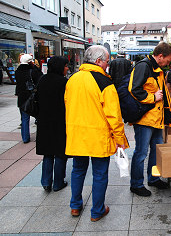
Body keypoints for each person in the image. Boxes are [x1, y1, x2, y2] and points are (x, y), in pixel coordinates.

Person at [64, 45, 129, 221]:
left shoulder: (72, 79)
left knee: (77, 170)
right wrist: (120, 138)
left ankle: (75, 206)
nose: (108, 65)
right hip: (98, 136)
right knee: (100, 174)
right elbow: (114, 115)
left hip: (77, 134)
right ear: (98, 61)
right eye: (107, 61)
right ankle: (97, 210)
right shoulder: (104, 82)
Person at [129, 42, 171, 197]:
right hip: (145, 120)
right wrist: (152, 97)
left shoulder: (157, 69)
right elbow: (134, 89)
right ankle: (136, 184)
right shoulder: (144, 66)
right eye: (167, 61)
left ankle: (153, 178)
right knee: (141, 152)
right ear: (160, 56)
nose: (168, 64)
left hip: (157, 118)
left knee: (156, 151)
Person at [36, 56, 69, 192]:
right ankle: (58, 183)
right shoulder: (64, 82)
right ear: (60, 67)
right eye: (66, 66)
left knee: (48, 152)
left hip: (44, 121)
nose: (67, 68)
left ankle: (46, 182)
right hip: (60, 121)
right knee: (60, 152)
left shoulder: (42, 79)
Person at [15, 54, 43, 143]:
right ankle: (40, 136)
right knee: (38, 117)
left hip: (21, 98)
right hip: (32, 98)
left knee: (24, 118)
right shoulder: (33, 71)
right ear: (29, 62)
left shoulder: (17, 72)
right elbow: (40, 77)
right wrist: (34, 66)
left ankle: (25, 138)